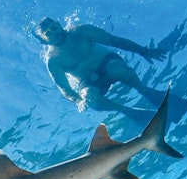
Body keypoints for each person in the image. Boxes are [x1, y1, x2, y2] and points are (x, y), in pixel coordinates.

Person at [34, 17, 176, 125]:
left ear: (59, 25)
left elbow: (114, 41)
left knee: (117, 69)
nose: (54, 32)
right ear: (44, 42)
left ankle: (143, 90)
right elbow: (65, 89)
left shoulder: (81, 31)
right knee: (89, 99)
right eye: (48, 33)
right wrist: (78, 100)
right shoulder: (53, 61)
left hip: (108, 62)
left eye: (53, 27)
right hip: (88, 81)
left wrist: (143, 51)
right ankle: (126, 110)